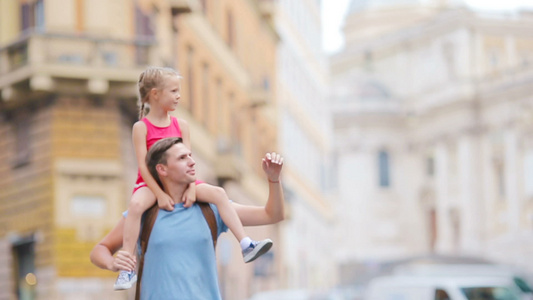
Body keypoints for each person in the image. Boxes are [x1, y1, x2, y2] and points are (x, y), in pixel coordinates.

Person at [115, 67, 273, 290]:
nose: (179, 96)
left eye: (179, 91)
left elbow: (188, 160)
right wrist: (160, 194)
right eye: (173, 91)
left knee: (219, 193)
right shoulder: (140, 128)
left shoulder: (182, 126)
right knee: (135, 205)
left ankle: (246, 244)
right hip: (150, 183)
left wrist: (190, 188)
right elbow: (142, 165)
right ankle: (127, 268)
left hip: (182, 181)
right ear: (155, 94)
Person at [90, 137, 285, 299]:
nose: (192, 161)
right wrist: (112, 263)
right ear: (162, 169)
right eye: (182, 158)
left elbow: (272, 215)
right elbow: (100, 250)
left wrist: (273, 179)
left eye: (190, 156)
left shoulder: (213, 209)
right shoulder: (144, 214)